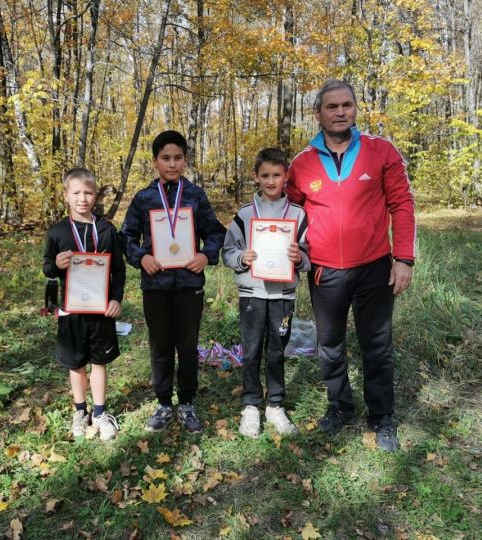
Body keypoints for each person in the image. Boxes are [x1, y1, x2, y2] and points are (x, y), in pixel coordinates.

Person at [286, 79, 416, 451]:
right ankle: (340, 407)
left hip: (374, 267)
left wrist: (403, 258)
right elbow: (289, 215)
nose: (340, 112)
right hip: (326, 270)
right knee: (329, 344)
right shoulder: (302, 163)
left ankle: (382, 417)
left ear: (355, 109)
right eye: (332, 106)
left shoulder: (381, 152)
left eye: (347, 105)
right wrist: (290, 255)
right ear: (318, 114)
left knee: (377, 344)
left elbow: (402, 204)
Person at [120, 130, 226, 434]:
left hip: (189, 284)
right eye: (165, 158)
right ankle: (164, 402)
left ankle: (187, 402)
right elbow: (125, 236)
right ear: (155, 161)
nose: (172, 164)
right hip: (155, 285)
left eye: (178, 158)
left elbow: (216, 232)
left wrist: (206, 256)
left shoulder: (195, 196)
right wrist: (142, 258)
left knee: (188, 345)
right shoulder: (144, 198)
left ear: (185, 161)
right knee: (160, 345)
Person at [222, 148, 310, 438]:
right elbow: (227, 251)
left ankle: (274, 404)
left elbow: (309, 256)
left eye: (277, 175)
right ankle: (250, 405)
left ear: (286, 176)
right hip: (252, 294)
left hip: (283, 297)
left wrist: (299, 258)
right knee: (251, 351)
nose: (271, 181)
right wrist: (241, 259)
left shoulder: (298, 215)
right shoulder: (246, 215)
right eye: (265, 175)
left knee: (276, 351)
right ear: (256, 178)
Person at [43, 167, 125, 440]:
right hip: (71, 310)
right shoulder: (57, 232)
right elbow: (47, 269)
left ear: (95, 195)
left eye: (88, 193)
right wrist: (56, 264)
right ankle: (80, 411)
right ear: (66, 195)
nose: (82, 198)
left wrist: (116, 298)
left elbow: (119, 270)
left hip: (101, 310)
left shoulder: (106, 230)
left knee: (99, 362)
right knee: (76, 363)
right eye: (76, 193)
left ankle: (100, 412)